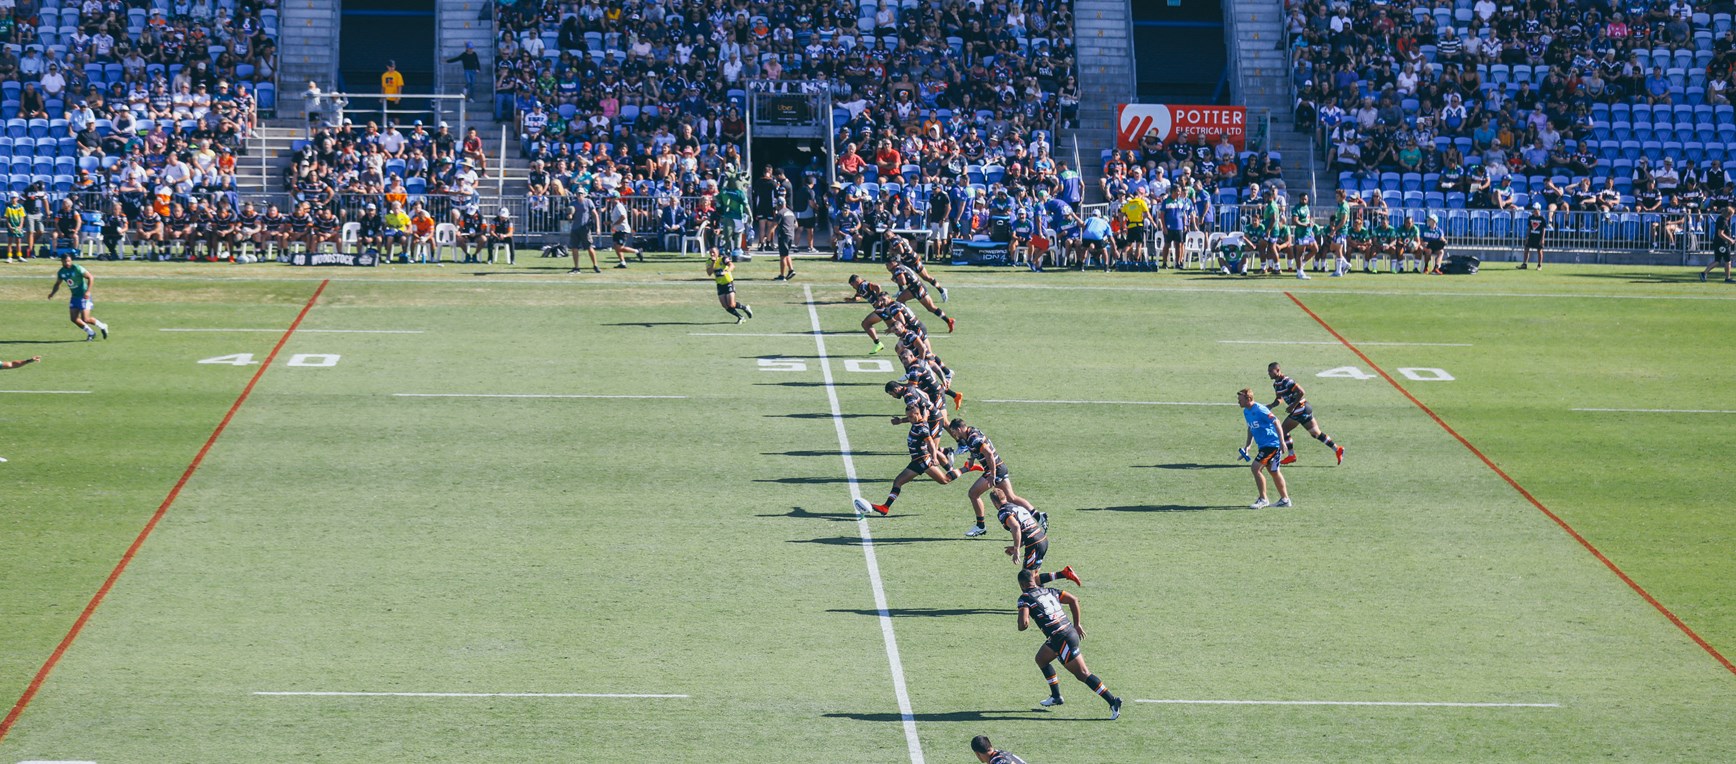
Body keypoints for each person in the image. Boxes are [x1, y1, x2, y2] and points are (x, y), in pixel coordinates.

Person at [1016, 568, 1122, 719]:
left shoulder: (1024, 598)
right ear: (1033, 580)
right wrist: (1077, 624)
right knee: (1041, 659)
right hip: (1067, 632)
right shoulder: (1049, 591)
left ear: (1022, 585)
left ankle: (1112, 701)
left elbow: (1023, 625)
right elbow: (1073, 599)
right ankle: (1056, 696)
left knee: (1083, 674)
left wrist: (1023, 620)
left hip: (1061, 638)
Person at [863, 381, 974, 516]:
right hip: (916, 460)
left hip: (923, 461)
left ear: (917, 414)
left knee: (945, 480)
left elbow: (931, 444)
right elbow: (924, 405)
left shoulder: (921, 428)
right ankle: (885, 507)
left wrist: (933, 457)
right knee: (898, 481)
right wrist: (903, 420)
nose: (908, 419)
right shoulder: (918, 420)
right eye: (908, 417)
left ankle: (966, 467)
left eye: (910, 417)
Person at [946, 418, 1035, 537]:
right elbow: (975, 448)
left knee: (973, 493)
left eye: (954, 432)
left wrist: (992, 474)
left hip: (995, 470)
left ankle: (980, 526)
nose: (954, 435)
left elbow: (988, 454)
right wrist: (971, 459)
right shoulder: (970, 433)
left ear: (958, 429)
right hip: (999, 467)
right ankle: (1038, 516)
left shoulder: (973, 438)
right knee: (1011, 498)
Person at [995, 488, 1081, 587]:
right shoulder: (1016, 507)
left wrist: (1016, 549)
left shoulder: (1003, 512)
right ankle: (1065, 573)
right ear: (1005, 497)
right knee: (1033, 579)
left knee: (1027, 581)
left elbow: (1016, 527)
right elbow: (1027, 529)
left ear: (994, 503)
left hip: (1034, 544)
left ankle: (1060, 580)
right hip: (1041, 539)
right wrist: (1018, 546)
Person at [1267, 362, 1344, 466]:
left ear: (1278, 370)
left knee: (1282, 430)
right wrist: (1271, 405)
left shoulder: (1287, 381)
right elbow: (1279, 399)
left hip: (1300, 408)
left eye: (1271, 371)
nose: (1269, 373)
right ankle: (1337, 449)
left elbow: (1301, 392)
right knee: (1316, 433)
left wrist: (1292, 406)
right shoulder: (1276, 385)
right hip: (1304, 409)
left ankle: (1290, 455)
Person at [1238, 387, 1290, 508]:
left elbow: (1276, 422)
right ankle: (1285, 500)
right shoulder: (1246, 411)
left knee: (1255, 468)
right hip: (1263, 446)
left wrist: (1282, 442)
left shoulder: (1260, 409)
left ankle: (1263, 499)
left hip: (1272, 445)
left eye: (1240, 399)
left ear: (1248, 399)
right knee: (1274, 472)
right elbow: (1251, 427)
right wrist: (1247, 446)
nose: (1238, 402)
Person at [48, 254, 109, 341]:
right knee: (74, 318)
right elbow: (58, 284)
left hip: (84, 296)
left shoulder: (77, 268)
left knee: (86, 319)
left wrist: (88, 291)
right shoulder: (61, 272)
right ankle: (91, 333)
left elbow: (90, 277)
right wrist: (52, 293)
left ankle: (102, 326)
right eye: (65, 261)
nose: (68, 263)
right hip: (74, 297)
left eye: (69, 261)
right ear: (62, 261)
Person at [887, 257, 954, 331]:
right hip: (914, 287)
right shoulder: (900, 266)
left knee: (931, 308)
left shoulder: (898, 269)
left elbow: (903, 282)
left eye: (887, 265)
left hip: (918, 289)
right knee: (899, 301)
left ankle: (948, 320)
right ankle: (906, 322)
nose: (887, 267)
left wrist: (895, 280)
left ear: (893, 263)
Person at [706, 248, 754, 323]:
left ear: (717, 252)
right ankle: (740, 317)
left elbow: (732, 265)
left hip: (728, 283)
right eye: (710, 252)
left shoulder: (723, 259)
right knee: (725, 306)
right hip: (720, 285)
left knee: (731, 304)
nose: (712, 254)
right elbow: (709, 273)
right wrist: (713, 263)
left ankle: (745, 308)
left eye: (713, 252)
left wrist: (726, 271)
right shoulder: (709, 261)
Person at [567, 191, 601, 273]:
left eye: (581, 193)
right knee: (574, 248)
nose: (579, 195)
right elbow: (570, 216)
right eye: (578, 193)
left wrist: (598, 227)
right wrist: (569, 216)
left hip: (585, 228)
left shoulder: (588, 202)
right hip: (575, 228)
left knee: (589, 247)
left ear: (584, 194)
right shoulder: (573, 203)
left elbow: (595, 214)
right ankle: (576, 267)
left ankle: (595, 265)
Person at [606, 192, 640, 267]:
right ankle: (622, 262)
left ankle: (637, 251)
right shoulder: (614, 207)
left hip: (622, 230)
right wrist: (609, 222)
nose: (610, 200)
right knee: (616, 246)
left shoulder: (619, 206)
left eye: (612, 198)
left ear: (616, 198)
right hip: (617, 229)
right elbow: (616, 218)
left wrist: (614, 224)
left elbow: (623, 217)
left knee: (620, 247)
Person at [1705, 205, 1736, 283]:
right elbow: (1720, 233)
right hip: (1721, 243)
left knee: (1717, 261)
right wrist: (1730, 240)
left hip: (1719, 243)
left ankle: (1704, 273)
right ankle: (1727, 278)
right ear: (1728, 214)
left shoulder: (1721, 219)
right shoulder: (1722, 221)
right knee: (1728, 260)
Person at [772, 197, 797, 281]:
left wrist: (768, 237)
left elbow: (774, 225)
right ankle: (791, 270)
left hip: (784, 235)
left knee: (782, 256)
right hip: (791, 235)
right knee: (786, 254)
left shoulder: (780, 213)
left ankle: (782, 276)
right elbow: (796, 224)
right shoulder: (791, 212)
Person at [1520, 203, 1547, 269]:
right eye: (1533, 209)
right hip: (1531, 236)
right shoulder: (1530, 217)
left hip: (1538, 237)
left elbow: (1544, 229)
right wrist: (1527, 237)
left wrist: (1542, 239)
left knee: (1539, 251)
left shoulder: (1542, 218)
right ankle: (1524, 264)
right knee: (1526, 249)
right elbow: (1529, 228)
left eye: (1535, 209)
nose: (1534, 211)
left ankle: (1539, 265)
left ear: (1539, 210)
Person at [4, 194, 27, 262]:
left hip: (18, 227)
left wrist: (20, 226)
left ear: (17, 198)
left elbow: (22, 217)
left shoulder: (20, 207)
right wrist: (10, 227)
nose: (13, 199)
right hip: (11, 227)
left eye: (14, 198)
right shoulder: (8, 208)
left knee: (18, 242)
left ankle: (19, 256)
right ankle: (9, 257)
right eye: (12, 198)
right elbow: (7, 219)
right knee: (10, 242)